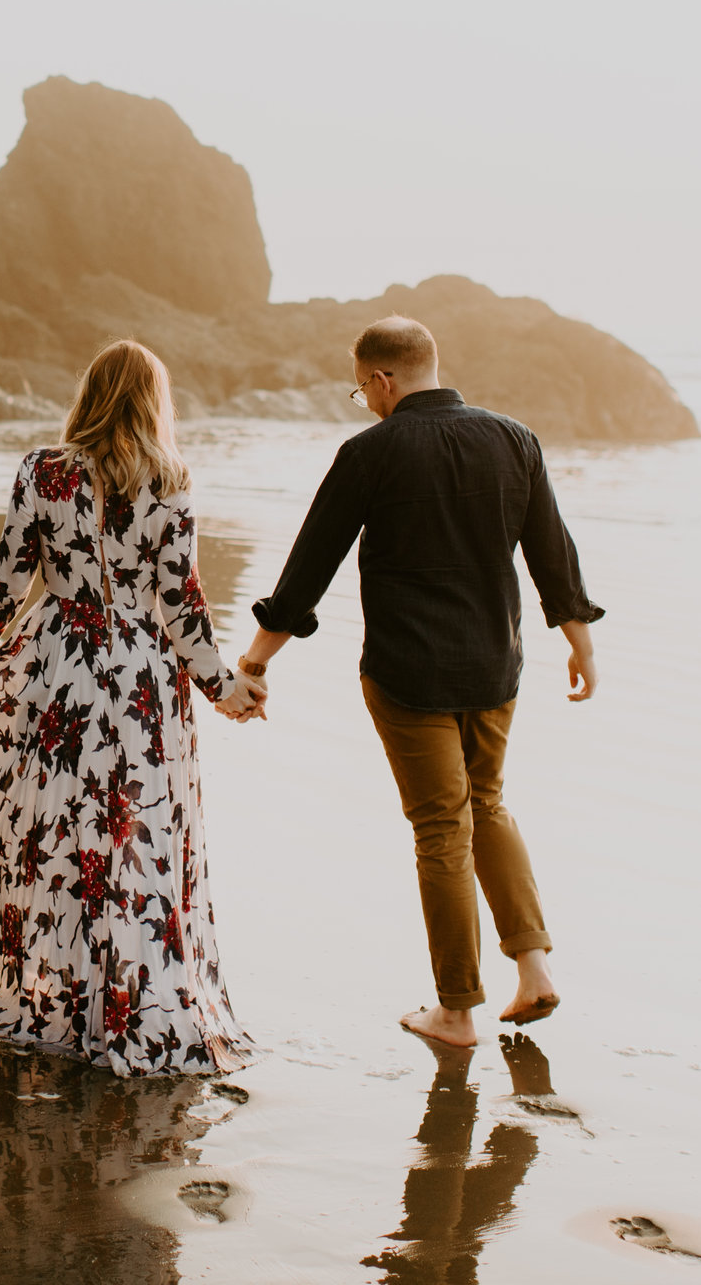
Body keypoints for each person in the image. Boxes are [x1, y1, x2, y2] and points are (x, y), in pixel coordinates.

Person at [239, 316, 602, 1049]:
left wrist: (253, 661)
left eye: (362, 389)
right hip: (496, 667)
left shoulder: (369, 452)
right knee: (488, 804)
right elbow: (552, 552)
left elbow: (310, 567)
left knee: (442, 827)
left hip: (408, 674)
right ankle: (533, 970)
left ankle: (458, 1010)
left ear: (381, 380)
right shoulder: (515, 440)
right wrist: (580, 641)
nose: (366, 401)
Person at [0, 339, 266, 1075]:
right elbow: (181, 604)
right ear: (154, 400)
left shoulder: (41, 469)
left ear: (90, 393)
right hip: (143, 681)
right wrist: (225, 689)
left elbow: (7, 585)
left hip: (61, 672)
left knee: (55, 833)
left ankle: (52, 1001)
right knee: (135, 838)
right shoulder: (170, 478)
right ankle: (132, 1005)